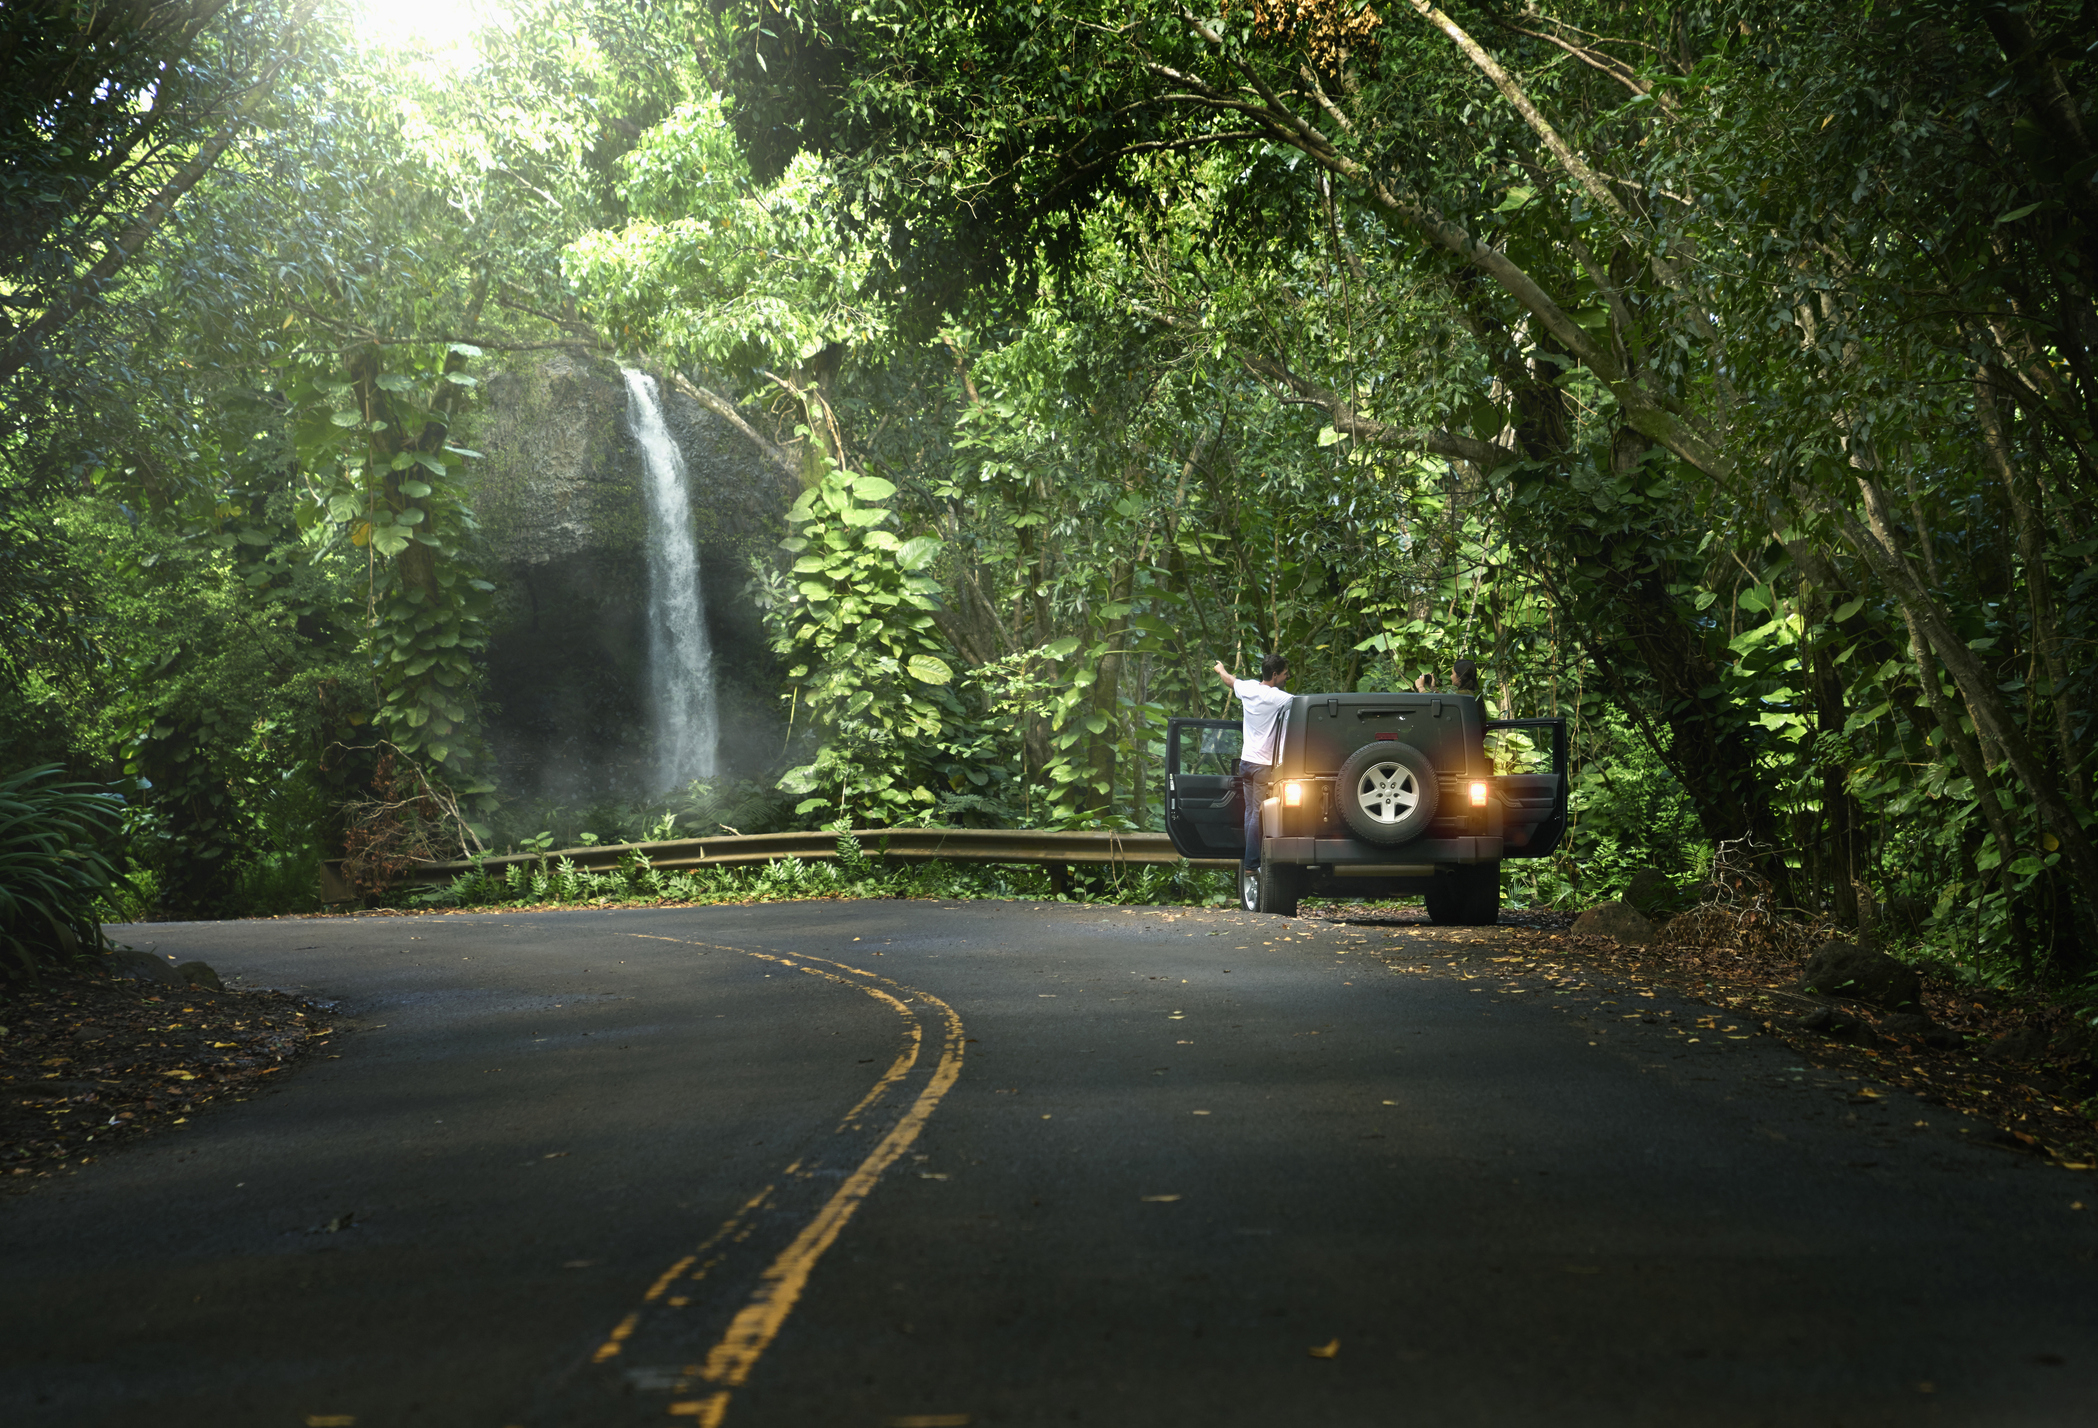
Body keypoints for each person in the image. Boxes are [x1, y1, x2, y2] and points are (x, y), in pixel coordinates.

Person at [1212, 653, 1291, 872]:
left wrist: (1220, 669)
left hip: (1246, 763)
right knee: (1258, 814)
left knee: (1250, 813)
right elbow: (1305, 706)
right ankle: (1252, 863)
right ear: (1274, 675)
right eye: (1285, 674)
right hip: (1264, 766)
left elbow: (1229, 680)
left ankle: (1250, 857)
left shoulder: (1247, 688)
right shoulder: (1278, 698)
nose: (1287, 678)